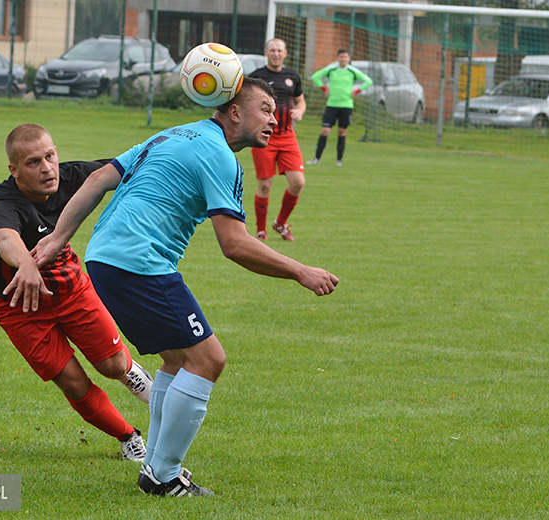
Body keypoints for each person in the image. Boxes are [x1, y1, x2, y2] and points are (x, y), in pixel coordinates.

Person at [33, 77, 339, 497]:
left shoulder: (174, 133)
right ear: (235, 112)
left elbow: (99, 178)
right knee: (208, 360)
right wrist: (301, 271)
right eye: (265, 109)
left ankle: (155, 468)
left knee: (177, 360)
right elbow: (234, 245)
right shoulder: (219, 155)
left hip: (105, 258)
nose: (275, 119)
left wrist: (59, 238)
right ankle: (163, 475)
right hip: (138, 262)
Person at [0, 124, 153, 462]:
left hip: (70, 287)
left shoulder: (74, 177)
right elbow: (5, 238)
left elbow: (126, 165)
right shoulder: (1, 203)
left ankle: (131, 373)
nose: (47, 168)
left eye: (50, 156)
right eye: (33, 162)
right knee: (72, 382)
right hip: (18, 305)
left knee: (112, 366)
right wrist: (25, 265)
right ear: (14, 170)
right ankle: (128, 436)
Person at [248, 38, 306, 242]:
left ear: (285, 53)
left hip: (288, 136)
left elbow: (300, 101)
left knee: (298, 182)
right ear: (266, 52)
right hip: (264, 136)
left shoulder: (293, 76)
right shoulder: (257, 77)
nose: (276, 54)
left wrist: (299, 111)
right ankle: (260, 231)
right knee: (265, 185)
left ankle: (280, 223)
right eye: (272, 50)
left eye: (279, 50)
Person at [308, 49, 373, 166]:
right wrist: (324, 88)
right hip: (331, 105)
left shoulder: (352, 71)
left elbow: (368, 81)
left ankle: (339, 160)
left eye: (345, 57)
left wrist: (357, 91)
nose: (343, 59)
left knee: (342, 132)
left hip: (346, 106)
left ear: (349, 59)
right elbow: (315, 77)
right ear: (338, 58)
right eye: (341, 57)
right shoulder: (332, 70)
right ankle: (317, 158)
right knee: (325, 131)